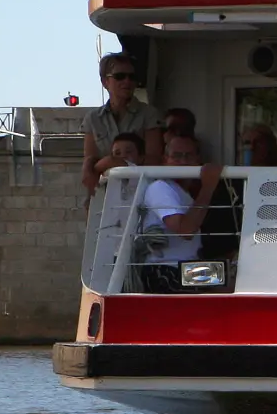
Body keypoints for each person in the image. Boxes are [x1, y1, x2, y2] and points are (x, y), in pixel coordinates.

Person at [133, 134, 224, 293]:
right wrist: (208, 187)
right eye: (176, 156)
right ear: (165, 159)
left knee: (235, 278)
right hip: (166, 271)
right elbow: (185, 230)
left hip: (187, 269)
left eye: (188, 155)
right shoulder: (160, 187)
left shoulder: (184, 193)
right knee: (225, 288)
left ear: (197, 159)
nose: (183, 161)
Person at [81, 53, 165, 197]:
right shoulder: (93, 118)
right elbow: (90, 158)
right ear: (105, 81)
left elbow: (154, 159)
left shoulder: (149, 114)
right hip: (103, 193)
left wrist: (113, 162)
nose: (127, 81)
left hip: (140, 194)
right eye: (120, 76)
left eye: (132, 77)